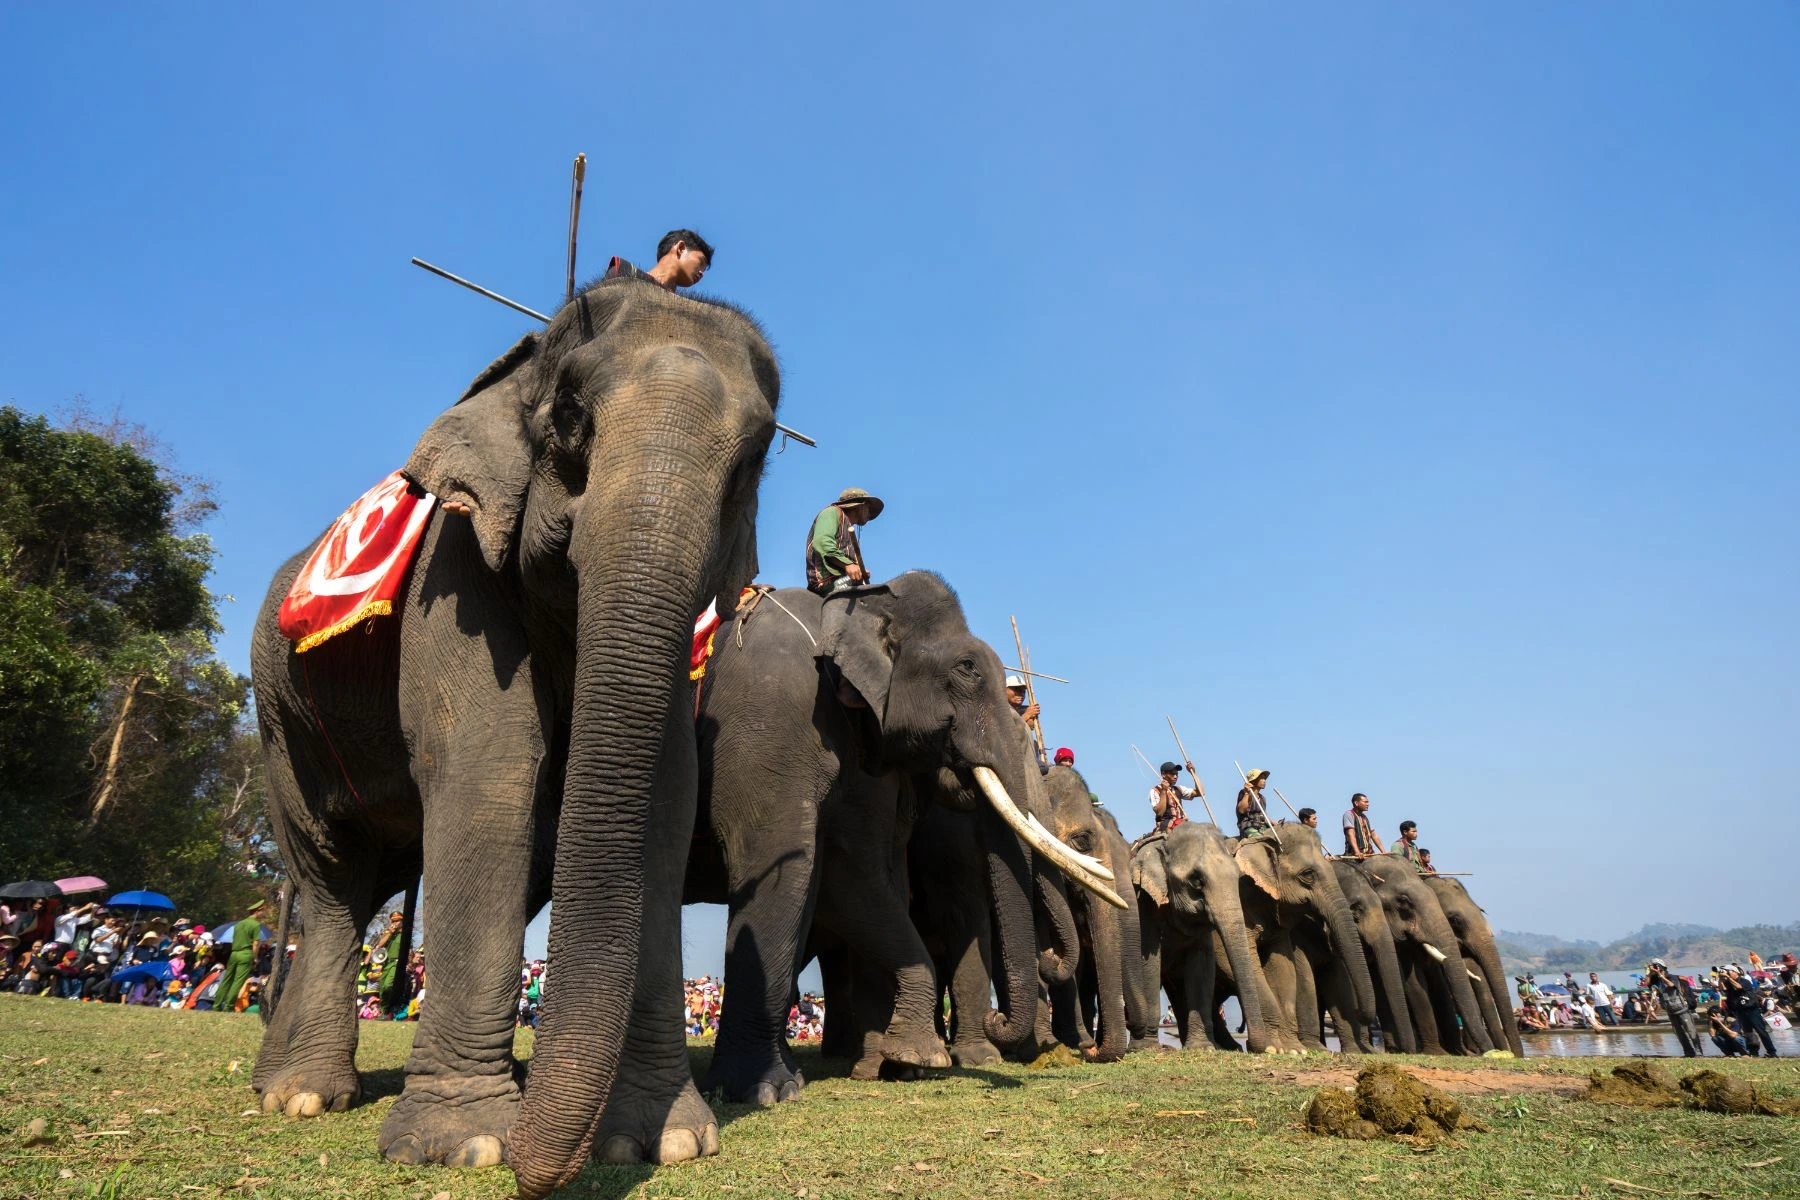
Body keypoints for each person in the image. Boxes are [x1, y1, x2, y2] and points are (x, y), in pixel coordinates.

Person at [805, 488, 884, 595]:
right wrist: (848, 565)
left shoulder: (848, 527)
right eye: (868, 508)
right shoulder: (831, 512)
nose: (870, 513)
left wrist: (859, 571)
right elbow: (822, 541)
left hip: (845, 580)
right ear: (861, 506)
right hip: (827, 582)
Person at [603, 229, 715, 292]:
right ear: (680, 248)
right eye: (700, 263)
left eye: (703, 270)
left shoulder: (685, 310)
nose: (701, 273)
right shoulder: (624, 272)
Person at [213, 899, 266, 1015]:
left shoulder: (239, 924)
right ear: (257, 911)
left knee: (226, 980)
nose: (263, 914)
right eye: (262, 911)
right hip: (246, 954)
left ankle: (216, 1005)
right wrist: (255, 958)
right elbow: (256, 943)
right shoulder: (256, 925)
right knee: (238, 981)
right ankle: (228, 1007)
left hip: (234, 953)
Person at [1646, 958, 1701, 1057]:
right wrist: (1650, 973)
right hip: (1671, 1011)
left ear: (1661, 967)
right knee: (1679, 1033)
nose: (1654, 968)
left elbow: (1671, 985)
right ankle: (1688, 1052)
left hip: (1682, 1009)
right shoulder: (1656, 980)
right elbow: (1647, 984)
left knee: (1690, 1030)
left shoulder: (1672, 977)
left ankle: (1698, 1052)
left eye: (1655, 966)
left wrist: (1661, 975)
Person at [1720, 964, 1779, 1057]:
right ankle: (1753, 1052)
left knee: (1761, 1031)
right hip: (1740, 1011)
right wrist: (1721, 978)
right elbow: (1722, 989)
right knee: (1748, 1033)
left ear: (1735, 972)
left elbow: (1739, 987)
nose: (1727, 973)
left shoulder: (1744, 981)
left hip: (1752, 1010)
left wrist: (1727, 977)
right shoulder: (1728, 983)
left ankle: (1772, 1052)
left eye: (1729, 971)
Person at [1151, 762, 1201, 833]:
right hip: (1166, 828)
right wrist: (1164, 791)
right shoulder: (1155, 791)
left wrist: (1193, 773)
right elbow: (1160, 813)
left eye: (1176, 774)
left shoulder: (1179, 789)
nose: (1175, 776)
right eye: (1172, 773)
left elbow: (1200, 792)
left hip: (1182, 824)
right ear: (1163, 774)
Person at [1341, 793, 1383, 858]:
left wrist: (1384, 852)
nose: (1367, 804)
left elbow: (1374, 835)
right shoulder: (1349, 814)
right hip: (1354, 854)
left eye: (1368, 802)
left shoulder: (1365, 817)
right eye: (1365, 802)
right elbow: (1350, 834)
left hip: (1369, 853)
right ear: (1356, 803)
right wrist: (1357, 852)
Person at [1236, 769, 1273, 838]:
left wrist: (1272, 822)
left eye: (1264, 778)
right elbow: (1241, 810)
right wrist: (1247, 793)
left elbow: (1263, 816)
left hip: (1262, 828)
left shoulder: (1262, 798)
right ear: (1253, 780)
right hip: (1249, 827)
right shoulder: (1244, 793)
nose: (1264, 780)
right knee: (1259, 839)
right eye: (1261, 778)